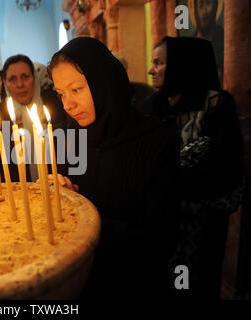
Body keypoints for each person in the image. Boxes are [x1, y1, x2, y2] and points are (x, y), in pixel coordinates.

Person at [48, 37, 180, 299]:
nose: (67, 105)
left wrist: (84, 220)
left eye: (76, 90)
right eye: (61, 94)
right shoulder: (62, 138)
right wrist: (57, 194)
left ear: (104, 83)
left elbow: (160, 240)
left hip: (131, 284)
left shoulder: (157, 140)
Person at [141, 36, 244, 299]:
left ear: (180, 64)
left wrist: (168, 181)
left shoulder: (216, 104)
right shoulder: (154, 105)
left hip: (203, 222)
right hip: (163, 223)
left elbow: (222, 167)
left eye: (158, 63)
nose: (151, 70)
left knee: (197, 286)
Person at [2, 54, 66, 181]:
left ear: (35, 78)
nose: (20, 84)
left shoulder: (56, 107)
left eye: (25, 77)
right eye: (12, 79)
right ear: (5, 83)